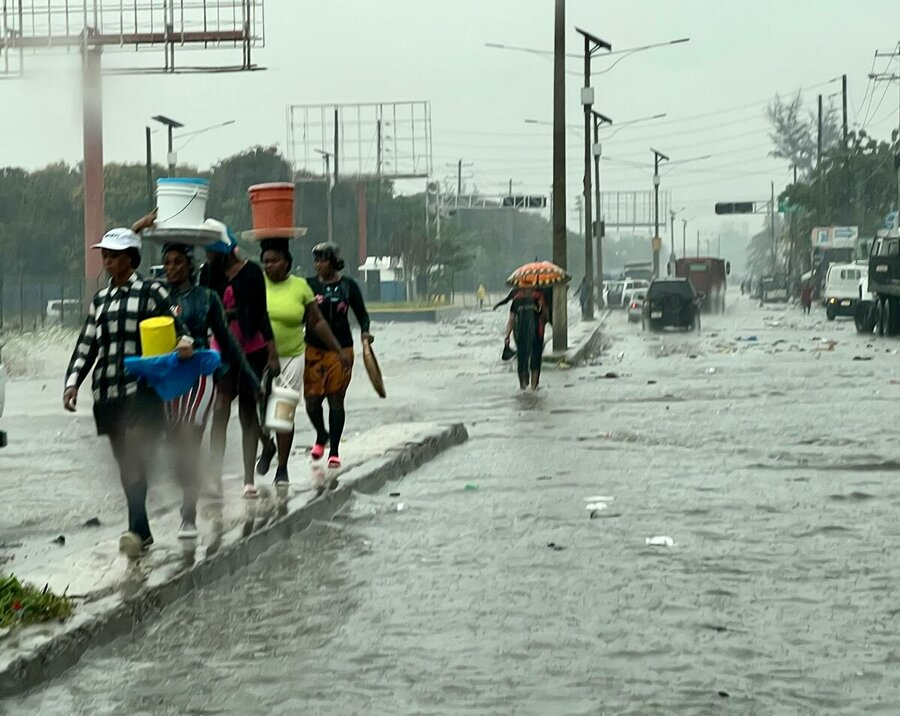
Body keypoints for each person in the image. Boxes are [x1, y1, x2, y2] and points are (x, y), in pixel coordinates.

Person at [63, 225, 194, 558]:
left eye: (114, 255)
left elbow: (178, 325)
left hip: (143, 390)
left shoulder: (152, 292)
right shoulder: (101, 300)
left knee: (136, 454)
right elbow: (88, 344)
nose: (107, 260)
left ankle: (134, 530)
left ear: (130, 259)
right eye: (104, 255)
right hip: (107, 391)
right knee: (126, 464)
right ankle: (143, 529)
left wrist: (185, 342)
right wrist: (72, 383)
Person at [161, 241, 260, 534]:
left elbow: (227, 341)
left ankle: (188, 513)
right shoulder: (157, 296)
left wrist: (250, 377)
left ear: (191, 265)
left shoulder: (206, 298)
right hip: (166, 377)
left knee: (191, 437)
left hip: (199, 377)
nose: (171, 269)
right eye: (167, 263)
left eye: (178, 262)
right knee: (175, 444)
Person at [257, 239, 348, 484]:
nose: (269, 265)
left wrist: (337, 348)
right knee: (256, 413)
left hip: (292, 357)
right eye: (265, 261)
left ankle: (282, 468)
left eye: (275, 260)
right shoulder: (255, 284)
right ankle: (267, 446)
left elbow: (316, 321)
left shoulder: (300, 287)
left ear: (287, 263)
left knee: (282, 412)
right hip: (258, 356)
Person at [199, 227, 279, 499]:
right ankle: (214, 476)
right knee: (220, 409)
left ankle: (248, 479)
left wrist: (272, 351)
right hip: (221, 350)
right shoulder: (207, 273)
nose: (207, 256)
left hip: (251, 349)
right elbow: (204, 309)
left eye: (211, 251)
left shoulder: (253, 272)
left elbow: (259, 313)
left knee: (247, 411)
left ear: (224, 251)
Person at [305, 242, 372, 468]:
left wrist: (365, 333)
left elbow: (362, 315)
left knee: (335, 398)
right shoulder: (308, 286)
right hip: (313, 349)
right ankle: (320, 434)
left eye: (322, 260)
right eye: (315, 260)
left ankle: (334, 451)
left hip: (342, 349)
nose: (317, 265)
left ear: (333, 261)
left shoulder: (349, 286)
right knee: (312, 400)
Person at [503, 286, 548, 391]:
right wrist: (507, 335)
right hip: (521, 335)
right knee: (522, 361)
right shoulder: (517, 299)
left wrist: (542, 308)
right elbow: (511, 319)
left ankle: (533, 388)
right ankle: (523, 388)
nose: (528, 287)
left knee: (535, 360)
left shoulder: (539, 297)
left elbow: (545, 317)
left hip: (535, 334)